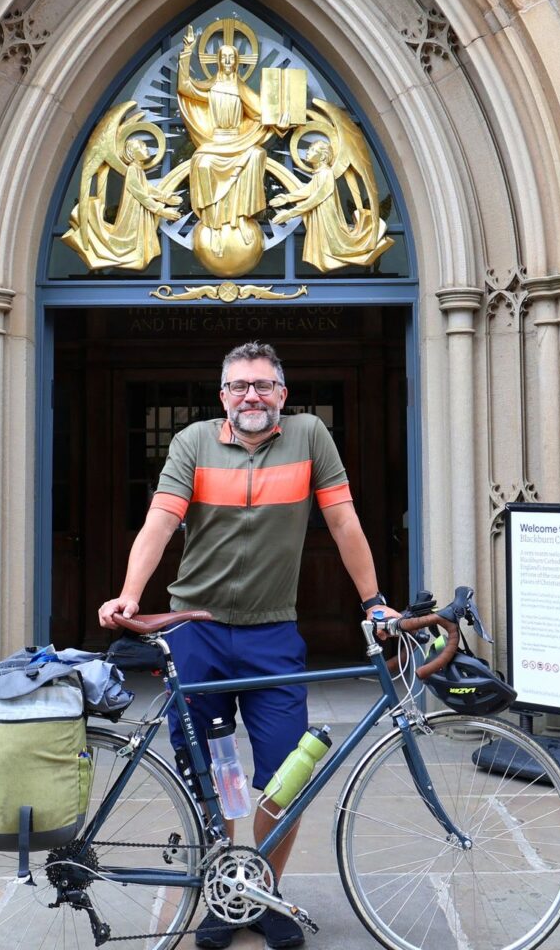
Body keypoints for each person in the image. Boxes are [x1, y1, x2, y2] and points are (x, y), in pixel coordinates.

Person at [98, 341, 395, 949]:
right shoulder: (194, 443)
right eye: (238, 386)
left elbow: (343, 521)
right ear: (223, 397)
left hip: (272, 631)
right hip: (195, 631)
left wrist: (373, 603)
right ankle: (223, 893)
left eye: (262, 385)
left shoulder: (310, 436)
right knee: (205, 777)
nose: (250, 396)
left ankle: (259, 889)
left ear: (282, 395)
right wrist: (131, 594)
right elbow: (159, 521)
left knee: (290, 777)